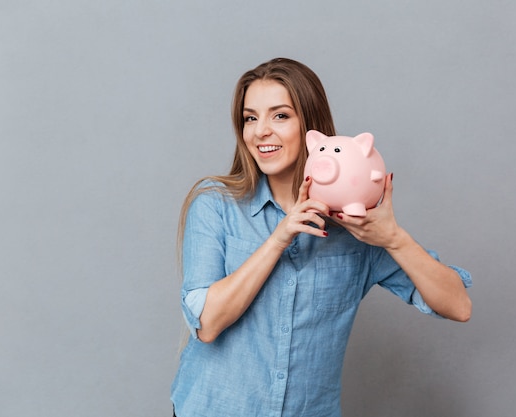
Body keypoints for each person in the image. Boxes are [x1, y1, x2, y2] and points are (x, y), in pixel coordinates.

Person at [171, 57, 472, 417]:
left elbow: (458, 306)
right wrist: (279, 239)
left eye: (280, 116)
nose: (260, 131)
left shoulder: (356, 230)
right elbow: (207, 323)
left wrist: (394, 238)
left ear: (311, 129)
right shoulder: (215, 205)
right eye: (250, 117)